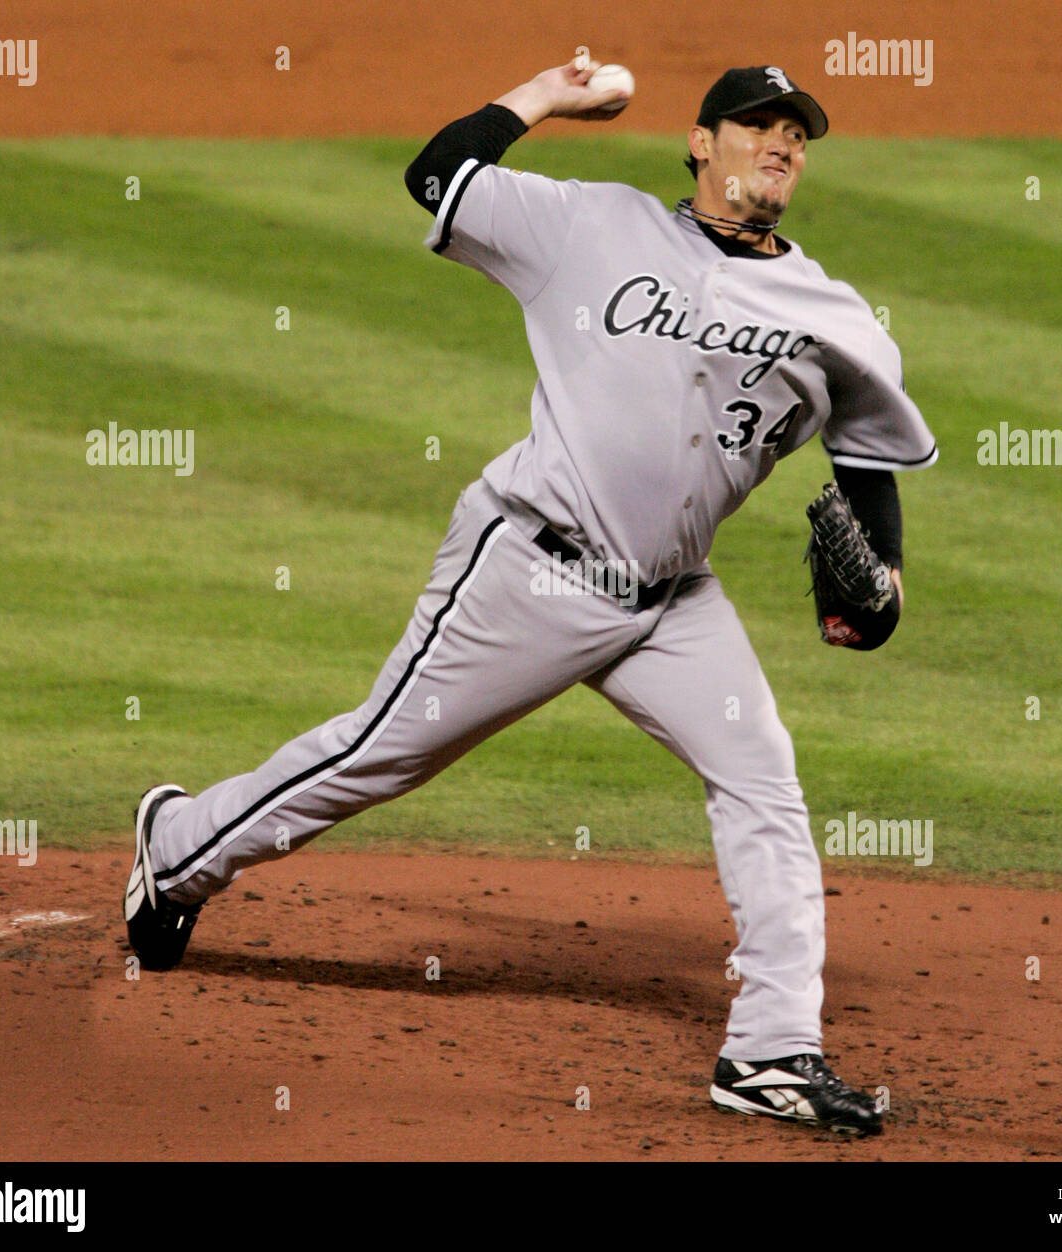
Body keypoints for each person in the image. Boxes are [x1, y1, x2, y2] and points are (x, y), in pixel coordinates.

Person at [124, 60, 937, 1137]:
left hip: (671, 603)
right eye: (755, 126)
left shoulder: (834, 315)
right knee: (379, 754)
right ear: (700, 143)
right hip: (530, 571)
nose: (779, 145)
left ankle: (772, 1054)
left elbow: (867, 461)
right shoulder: (586, 227)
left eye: (796, 133)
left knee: (763, 780)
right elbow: (435, 175)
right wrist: (547, 95)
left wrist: (878, 587)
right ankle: (176, 852)